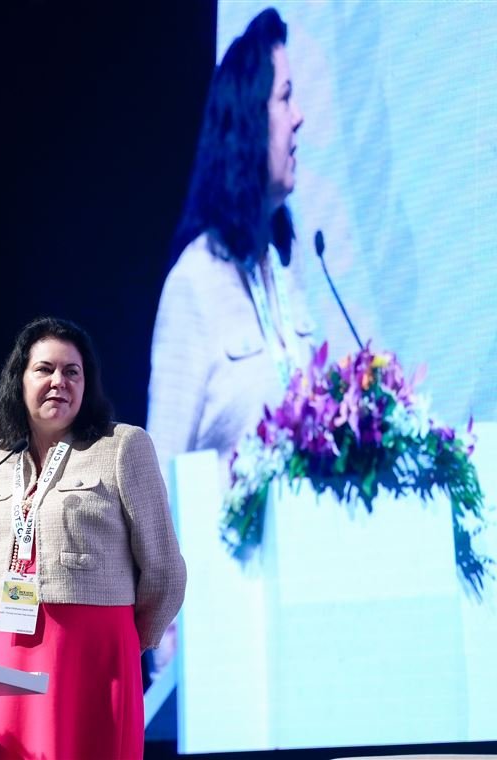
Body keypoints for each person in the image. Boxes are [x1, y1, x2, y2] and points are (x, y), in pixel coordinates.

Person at [144, 7, 317, 681]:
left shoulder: (287, 281)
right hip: (226, 640)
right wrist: (165, 637)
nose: (299, 118)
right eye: (285, 99)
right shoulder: (195, 285)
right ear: (249, 121)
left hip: (304, 615)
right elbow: (153, 480)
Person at [0, 315, 187, 760]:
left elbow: (165, 570)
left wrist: (125, 643)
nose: (59, 381)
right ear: (19, 380)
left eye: (72, 372)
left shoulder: (122, 446)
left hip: (94, 656)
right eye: (45, 369)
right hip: (9, 647)